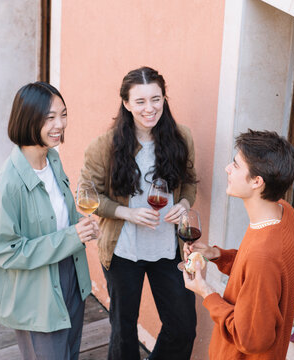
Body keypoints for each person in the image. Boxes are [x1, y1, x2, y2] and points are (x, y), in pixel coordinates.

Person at [80, 66, 198, 360]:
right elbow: (86, 196)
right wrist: (126, 213)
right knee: (124, 333)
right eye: (141, 101)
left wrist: (182, 206)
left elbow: (189, 185)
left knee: (183, 327)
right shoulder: (104, 146)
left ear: (164, 99)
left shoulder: (182, 137)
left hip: (168, 249)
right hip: (123, 252)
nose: (150, 108)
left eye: (156, 99)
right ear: (126, 104)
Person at [0, 82, 99, 360]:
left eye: (63, 114)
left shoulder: (53, 159)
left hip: (70, 271)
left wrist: (80, 225)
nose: (60, 124)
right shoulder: (8, 184)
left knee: (70, 353)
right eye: (49, 117)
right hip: (36, 289)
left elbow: (55, 218)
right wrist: (73, 237)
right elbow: (4, 251)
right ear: (28, 120)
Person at [183, 129, 294, 359]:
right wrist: (217, 254)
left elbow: (251, 339)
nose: (228, 168)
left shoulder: (264, 253)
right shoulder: (284, 213)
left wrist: (206, 292)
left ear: (257, 181)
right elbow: (257, 276)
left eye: (236, 165)